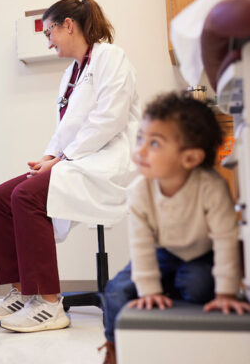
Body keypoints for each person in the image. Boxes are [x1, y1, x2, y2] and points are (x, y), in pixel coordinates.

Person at [0, 0, 140, 333]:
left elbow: (110, 118)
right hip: (77, 157)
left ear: (69, 24)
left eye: (49, 31)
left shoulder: (111, 57)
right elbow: (66, 127)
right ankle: (23, 292)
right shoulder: (71, 72)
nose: (48, 39)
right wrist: (50, 158)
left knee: (25, 197)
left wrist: (64, 159)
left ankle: (50, 304)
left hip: (109, 159)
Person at [99, 93, 250, 364]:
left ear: (190, 158)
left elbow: (226, 240)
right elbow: (141, 243)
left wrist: (226, 292)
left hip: (202, 254)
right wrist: (149, 291)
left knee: (200, 286)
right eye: (141, 139)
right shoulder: (140, 191)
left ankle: (172, 286)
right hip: (163, 253)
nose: (140, 150)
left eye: (154, 143)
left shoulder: (211, 188)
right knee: (115, 290)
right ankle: (115, 346)